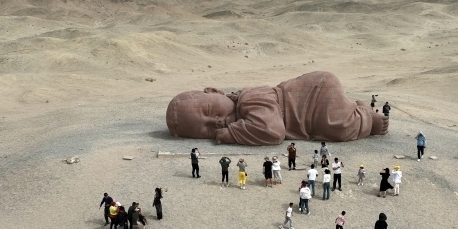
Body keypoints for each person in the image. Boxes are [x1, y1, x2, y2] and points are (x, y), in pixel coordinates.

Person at [166, 71, 389, 145]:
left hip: (315, 98)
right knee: (335, 124)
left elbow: (273, 131)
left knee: (338, 126)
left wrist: (232, 133)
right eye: (205, 129)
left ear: (214, 91)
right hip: (308, 111)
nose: (214, 122)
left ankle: (369, 119)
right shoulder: (244, 111)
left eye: (208, 112)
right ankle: (356, 108)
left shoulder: (248, 100)